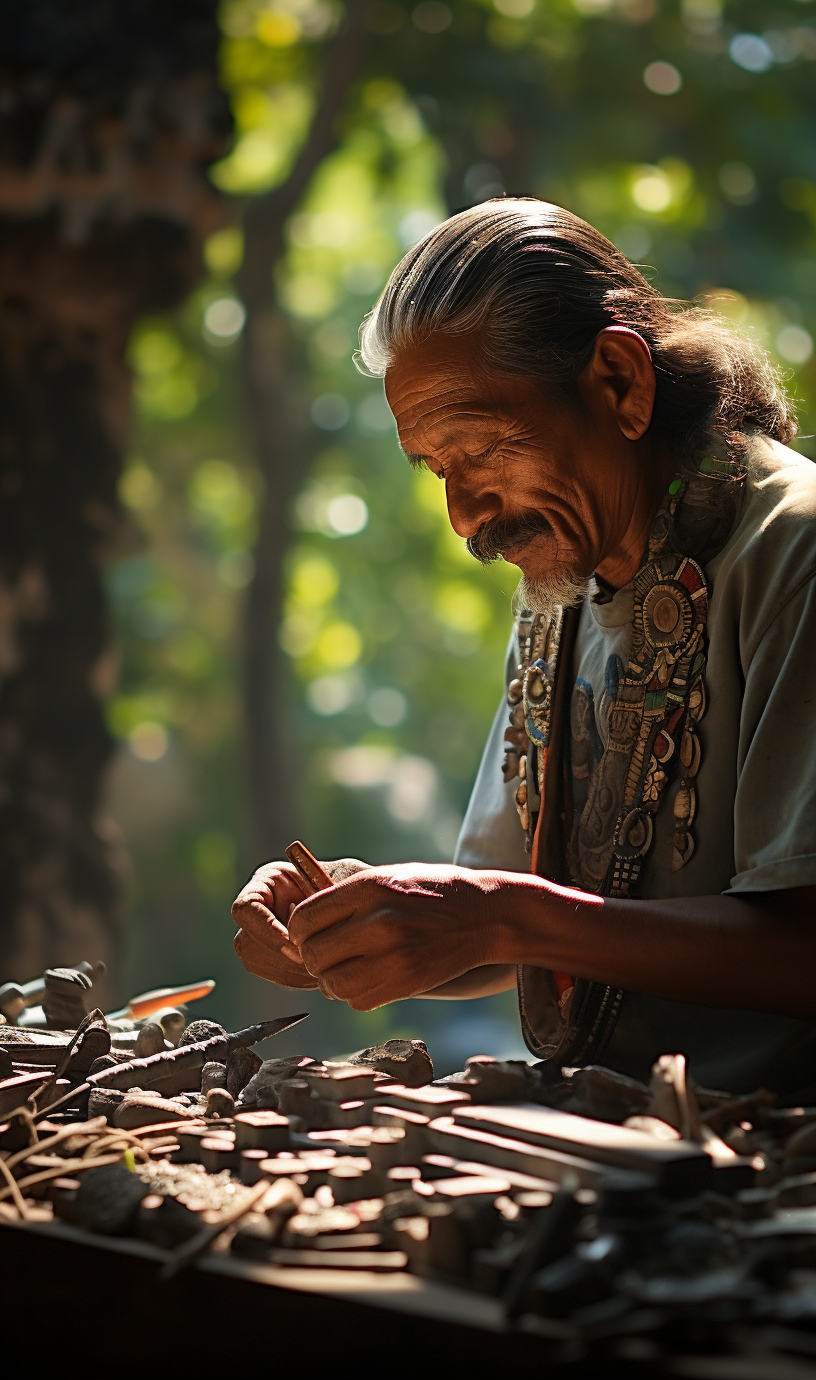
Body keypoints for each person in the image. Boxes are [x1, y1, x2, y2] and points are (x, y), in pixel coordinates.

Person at [232, 198, 816, 1100]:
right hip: (609, 1138)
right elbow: (511, 922)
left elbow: (800, 949)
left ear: (619, 381)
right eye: (438, 469)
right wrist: (360, 918)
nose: (465, 516)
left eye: (481, 449)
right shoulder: (560, 578)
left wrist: (502, 917)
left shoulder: (796, 553)